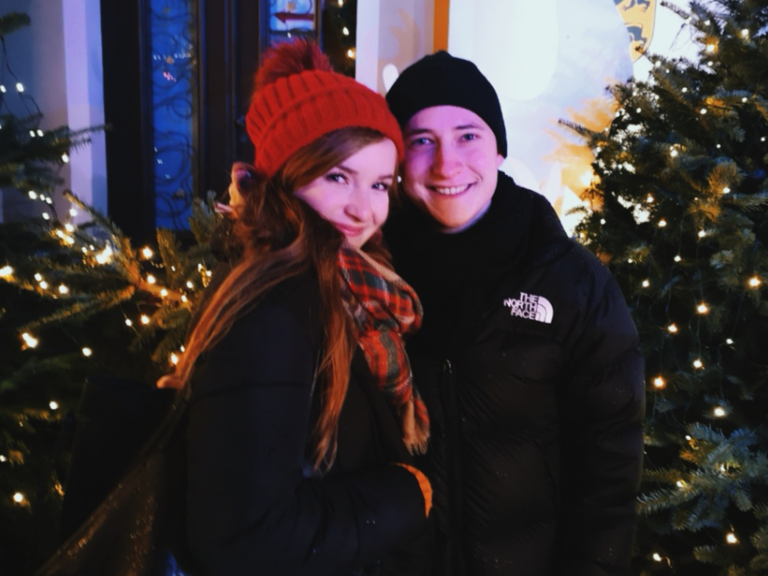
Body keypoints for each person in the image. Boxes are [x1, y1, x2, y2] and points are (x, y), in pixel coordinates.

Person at [159, 40, 433, 576]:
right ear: (286, 175)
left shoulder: (346, 286)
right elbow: (244, 540)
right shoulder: (274, 310)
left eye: (380, 184)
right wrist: (405, 495)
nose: (364, 209)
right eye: (338, 177)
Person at [381, 52, 646, 575]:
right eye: (421, 141)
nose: (446, 164)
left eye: (468, 136)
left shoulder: (571, 282)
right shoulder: (366, 278)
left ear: (498, 148)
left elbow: (608, 471)